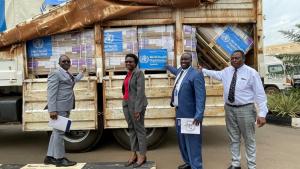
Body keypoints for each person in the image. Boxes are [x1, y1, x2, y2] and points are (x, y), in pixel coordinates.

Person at [199, 50, 268, 169]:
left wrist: (262, 113)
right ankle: (236, 164)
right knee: (233, 138)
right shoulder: (227, 71)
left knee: (249, 139)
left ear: (243, 59)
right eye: (232, 58)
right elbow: (216, 74)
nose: (234, 60)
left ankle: (251, 166)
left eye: (237, 58)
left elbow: (260, 94)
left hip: (245, 109)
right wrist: (203, 70)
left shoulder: (251, 73)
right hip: (229, 109)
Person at [44, 54, 86, 167]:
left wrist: (82, 72)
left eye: (68, 61)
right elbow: (51, 92)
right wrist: (52, 110)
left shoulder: (67, 73)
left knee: (55, 132)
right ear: (59, 63)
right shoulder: (56, 73)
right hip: (59, 108)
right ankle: (59, 159)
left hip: (66, 106)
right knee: (59, 133)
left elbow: (74, 81)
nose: (66, 63)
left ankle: (50, 157)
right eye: (63, 61)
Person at [166, 53, 206, 169]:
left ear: (191, 60)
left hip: (191, 114)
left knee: (193, 142)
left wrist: (199, 114)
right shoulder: (180, 71)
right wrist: (166, 66)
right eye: (182, 59)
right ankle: (188, 163)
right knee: (182, 140)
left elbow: (201, 97)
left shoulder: (196, 74)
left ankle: (196, 166)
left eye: (186, 59)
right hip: (179, 112)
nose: (183, 61)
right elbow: (175, 70)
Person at [122, 53, 148, 168]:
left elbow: (140, 92)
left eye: (130, 61)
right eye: (127, 61)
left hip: (137, 106)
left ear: (135, 63)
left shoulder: (138, 73)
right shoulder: (128, 74)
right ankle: (134, 154)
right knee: (131, 129)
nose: (128, 63)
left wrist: (137, 109)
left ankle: (142, 155)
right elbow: (126, 90)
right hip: (127, 105)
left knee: (139, 130)